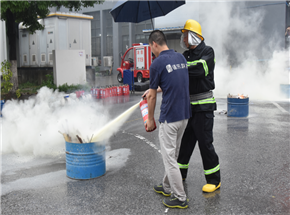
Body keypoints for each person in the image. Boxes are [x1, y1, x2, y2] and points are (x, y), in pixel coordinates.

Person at [142, 30, 191, 209]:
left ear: (154, 44)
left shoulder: (157, 63)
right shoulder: (181, 58)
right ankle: (167, 185)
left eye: (150, 47)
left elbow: (152, 97)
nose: (151, 51)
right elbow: (176, 82)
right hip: (184, 115)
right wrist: (156, 89)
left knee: (169, 158)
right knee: (173, 154)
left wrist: (150, 119)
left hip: (170, 118)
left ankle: (180, 197)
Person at [177, 19, 221, 193]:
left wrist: (179, 66)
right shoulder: (185, 55)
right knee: (186, 143)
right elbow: (180, 75)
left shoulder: (207, 51)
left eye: (186, 35)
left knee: (205, 144)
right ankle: (179, 174)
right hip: (189, 107)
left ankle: (214, 180)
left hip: (204, 107)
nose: (184, 39)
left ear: (194, 36)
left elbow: (200, 69)